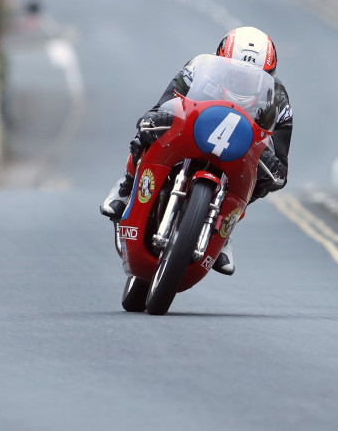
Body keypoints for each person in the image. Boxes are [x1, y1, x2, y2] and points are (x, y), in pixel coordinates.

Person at [100, 26, 292, 276]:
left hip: (237, 153)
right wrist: (152, 122)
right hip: (191, 134)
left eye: (254, 76)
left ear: (269, 74)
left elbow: (281, 160)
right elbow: (164, 105)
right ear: (221, 60)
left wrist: (269, 166)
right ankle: (126, 186)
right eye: (235, 73)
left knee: (263, 181)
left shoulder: (278, 100)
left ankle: (225, 230)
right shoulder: (197, 71)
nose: (243, 81)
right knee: (146, 132)